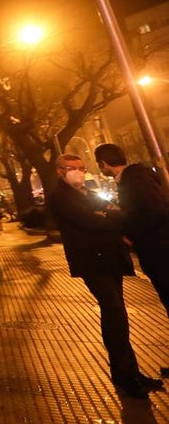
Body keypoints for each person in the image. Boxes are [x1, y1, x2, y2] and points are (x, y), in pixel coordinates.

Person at [47, 153, 163, 399]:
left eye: (81, 167)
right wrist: (105, 216)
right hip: (92, 262)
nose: (78, 172)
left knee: (117, 314)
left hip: (109, 258)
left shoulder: (86, 193)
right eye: (71, 168)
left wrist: (106, 214)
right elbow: (89, 221)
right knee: (114, 312)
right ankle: (125, 375)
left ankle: (129, 372)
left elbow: (113, 215)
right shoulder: (59, 197)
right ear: (60, 171)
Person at [95, 144, 169, 330]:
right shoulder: (135, 178)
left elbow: (155, 211)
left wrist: (132, 236)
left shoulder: (135, 181)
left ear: (103, 164)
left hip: (159, 250)